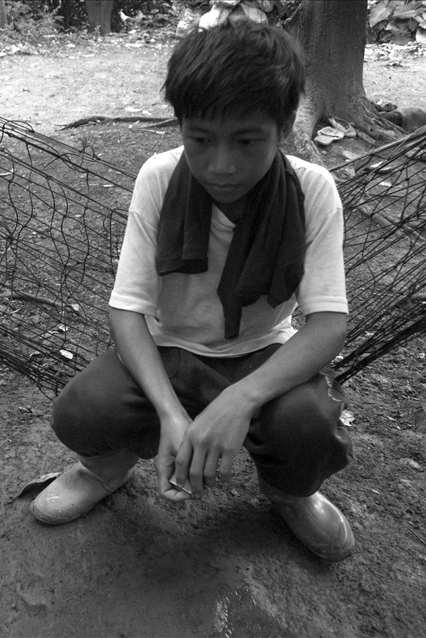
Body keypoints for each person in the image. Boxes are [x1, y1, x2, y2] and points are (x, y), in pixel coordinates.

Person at [30, 20, 355, 561]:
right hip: (169, 347)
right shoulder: (159, 178)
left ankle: (290, 492)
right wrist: (170, 413)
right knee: (82, 410)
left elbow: (328, 323)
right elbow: (129, 311)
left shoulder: (313, 191)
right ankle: (103, 469)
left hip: (260, 352)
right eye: (200, 140)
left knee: (309, 426)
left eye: (247, 141)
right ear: (180, 126)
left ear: (284, 127)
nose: (220, 166)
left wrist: (240, 398)